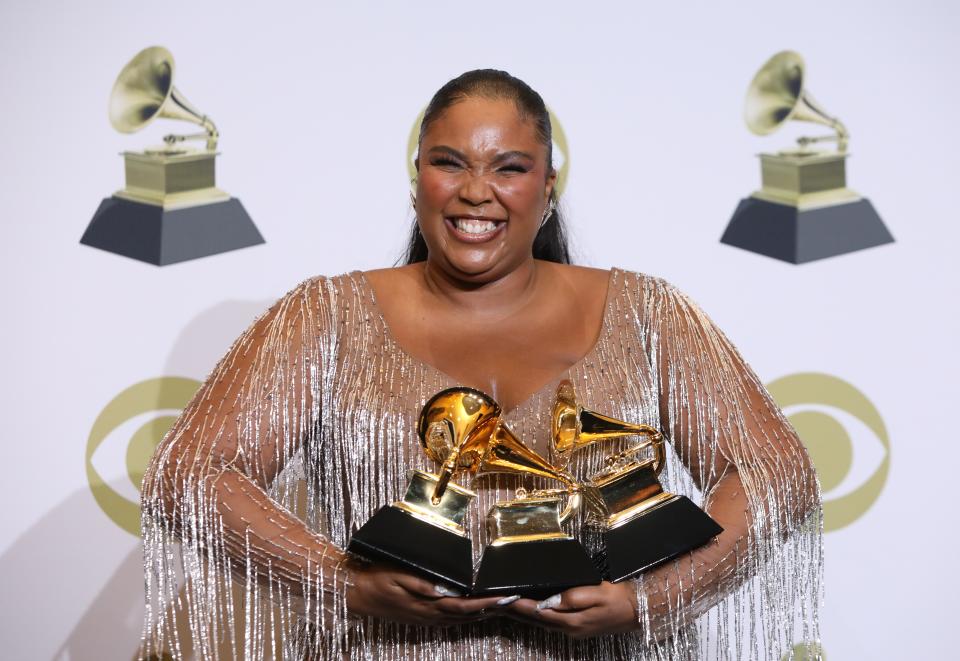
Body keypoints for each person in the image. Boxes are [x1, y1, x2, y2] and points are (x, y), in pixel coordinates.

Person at [140, 70, 822, 660]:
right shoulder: (326, 316)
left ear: (547, 187)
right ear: (417, 182)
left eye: (509, 167)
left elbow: (776, 471)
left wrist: (649, 599)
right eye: (450, 162)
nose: (476, 191)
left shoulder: (647, 313)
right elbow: (188, 473)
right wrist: (342, 581)